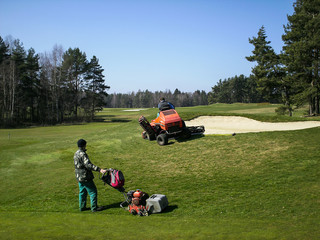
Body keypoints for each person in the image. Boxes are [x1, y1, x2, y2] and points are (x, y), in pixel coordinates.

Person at [74, 139, 107, 212]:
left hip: (79, 176)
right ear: (84, 145)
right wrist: (99, 169)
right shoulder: (83, 154)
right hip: (85, 176)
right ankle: (94, 208)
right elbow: (88, 165)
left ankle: (82, 207)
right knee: (93, 192)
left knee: (82, 192)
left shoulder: (76, 153)